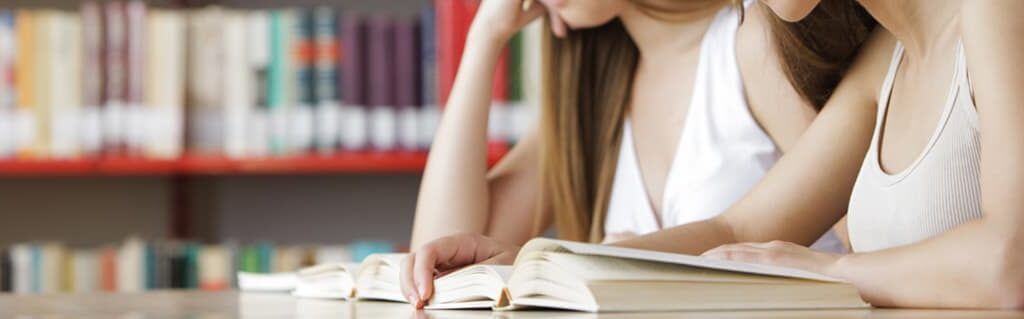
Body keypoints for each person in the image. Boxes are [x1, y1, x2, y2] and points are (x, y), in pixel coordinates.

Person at [408, 0, 1024, 309]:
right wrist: (546, 263)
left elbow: (1008, 263)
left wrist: (824, 272)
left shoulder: (994, 12)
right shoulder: (882, 64)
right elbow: (742, 227)